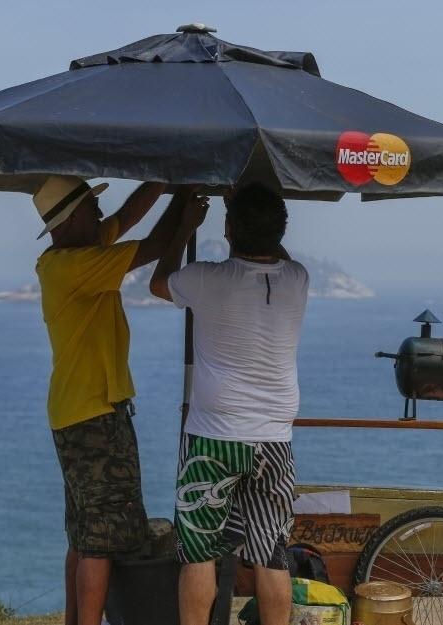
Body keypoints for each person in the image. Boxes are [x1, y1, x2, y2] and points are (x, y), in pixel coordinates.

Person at [34, 175, 206, 625]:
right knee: (102, 537)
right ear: (72, 220)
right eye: (91, 207)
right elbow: (154, 245)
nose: (99, 214)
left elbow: (130, 215)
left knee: (83, 529)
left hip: (74, 410)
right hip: (94, 413)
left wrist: (167, 180)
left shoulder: (66, 255)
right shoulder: (77, 265)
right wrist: (186, 218)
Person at [149, 185, 309, 625]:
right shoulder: (297, 279)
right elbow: (277, 251)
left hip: (212, 438)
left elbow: (159, 283)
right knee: (271, 554)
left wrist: (184, 227)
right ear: (280, 231)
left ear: (228, 228)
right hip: (274, 439)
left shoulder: (206, 279)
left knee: (198, 551)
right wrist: (258, 220)